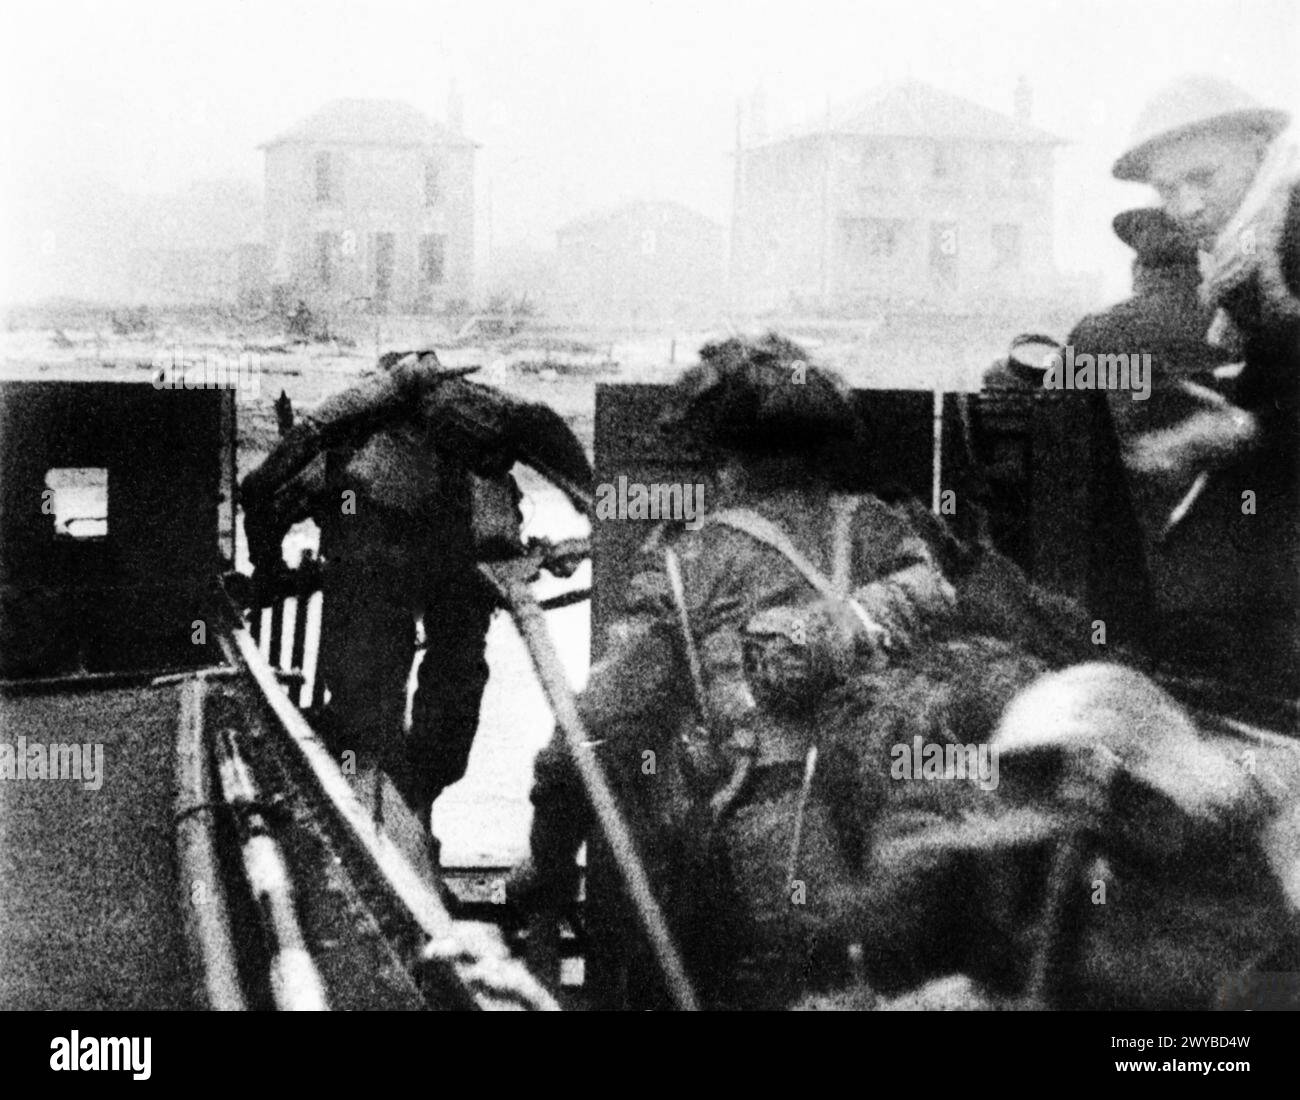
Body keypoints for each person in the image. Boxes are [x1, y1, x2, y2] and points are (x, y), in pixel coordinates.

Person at [509, 333, 1102, 1006]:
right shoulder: (892, 527)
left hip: (779, 833)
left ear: (721, 452)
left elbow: (597, 730)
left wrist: (547, 858)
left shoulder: (688, 559)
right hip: (920, 808)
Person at [240, 350, 592, 857]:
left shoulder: (479, 444)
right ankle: (395, 835)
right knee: (369, 726)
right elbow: (262, 493)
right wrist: (270, 567)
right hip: (376, 573)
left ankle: (408, 821)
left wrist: (591, 511)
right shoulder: (355, 446)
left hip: (454, 576)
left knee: (440, 728)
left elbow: (261, 496)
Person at [1100, 75, 1298, 699]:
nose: (1185, 207)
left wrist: (1236, 431)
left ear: (1260, 151)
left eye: (1203, 178)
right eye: (1168, 189)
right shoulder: (1244, 252)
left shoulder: (1287, 241)